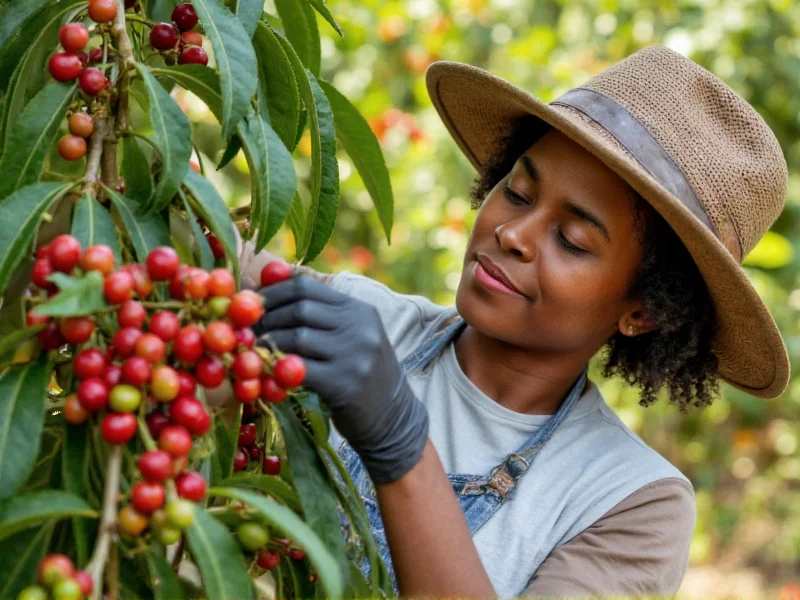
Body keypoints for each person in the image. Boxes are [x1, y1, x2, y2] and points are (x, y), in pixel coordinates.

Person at [242, 46, 789, 597]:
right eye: (518, 193)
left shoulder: (630, 501)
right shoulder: (357, 318)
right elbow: (198, 264)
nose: (514, 234)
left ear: (643, 311)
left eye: (572, 241)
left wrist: (398, 439)